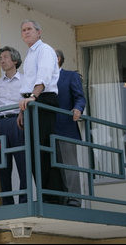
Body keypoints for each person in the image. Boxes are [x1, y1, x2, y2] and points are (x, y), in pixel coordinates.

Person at [17, 19, 61, 204]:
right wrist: (22, 110)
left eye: (29, 29)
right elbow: (26, 83)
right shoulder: (29, 54)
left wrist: (34, 97)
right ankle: (44, 196)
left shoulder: (45, 50)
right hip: (31, 102)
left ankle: (55, 198)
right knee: (34, 152)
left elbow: (44, 75)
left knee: (44, 150)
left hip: (42, 99)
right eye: (23, 30)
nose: (26, 32)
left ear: (39, 32)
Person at [0, 46, 27, 205]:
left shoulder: (25, 80)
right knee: (4, 165)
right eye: (0, 58)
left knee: (23, 162)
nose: (1, 60)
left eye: (5, 57)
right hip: (1, 124)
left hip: (18, 122)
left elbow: (28, 101)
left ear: (15, 60)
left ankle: (24, 200)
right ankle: (7, 202)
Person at [54, 49, 86, 207]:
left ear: (58, 58)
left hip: (65, 127)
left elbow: (80, 97)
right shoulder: (43, 79)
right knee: (53, 168)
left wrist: (78, 108)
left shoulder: (70, 76)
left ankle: (74, 200)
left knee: (69, 166)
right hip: (47, 130)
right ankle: (58, 200)